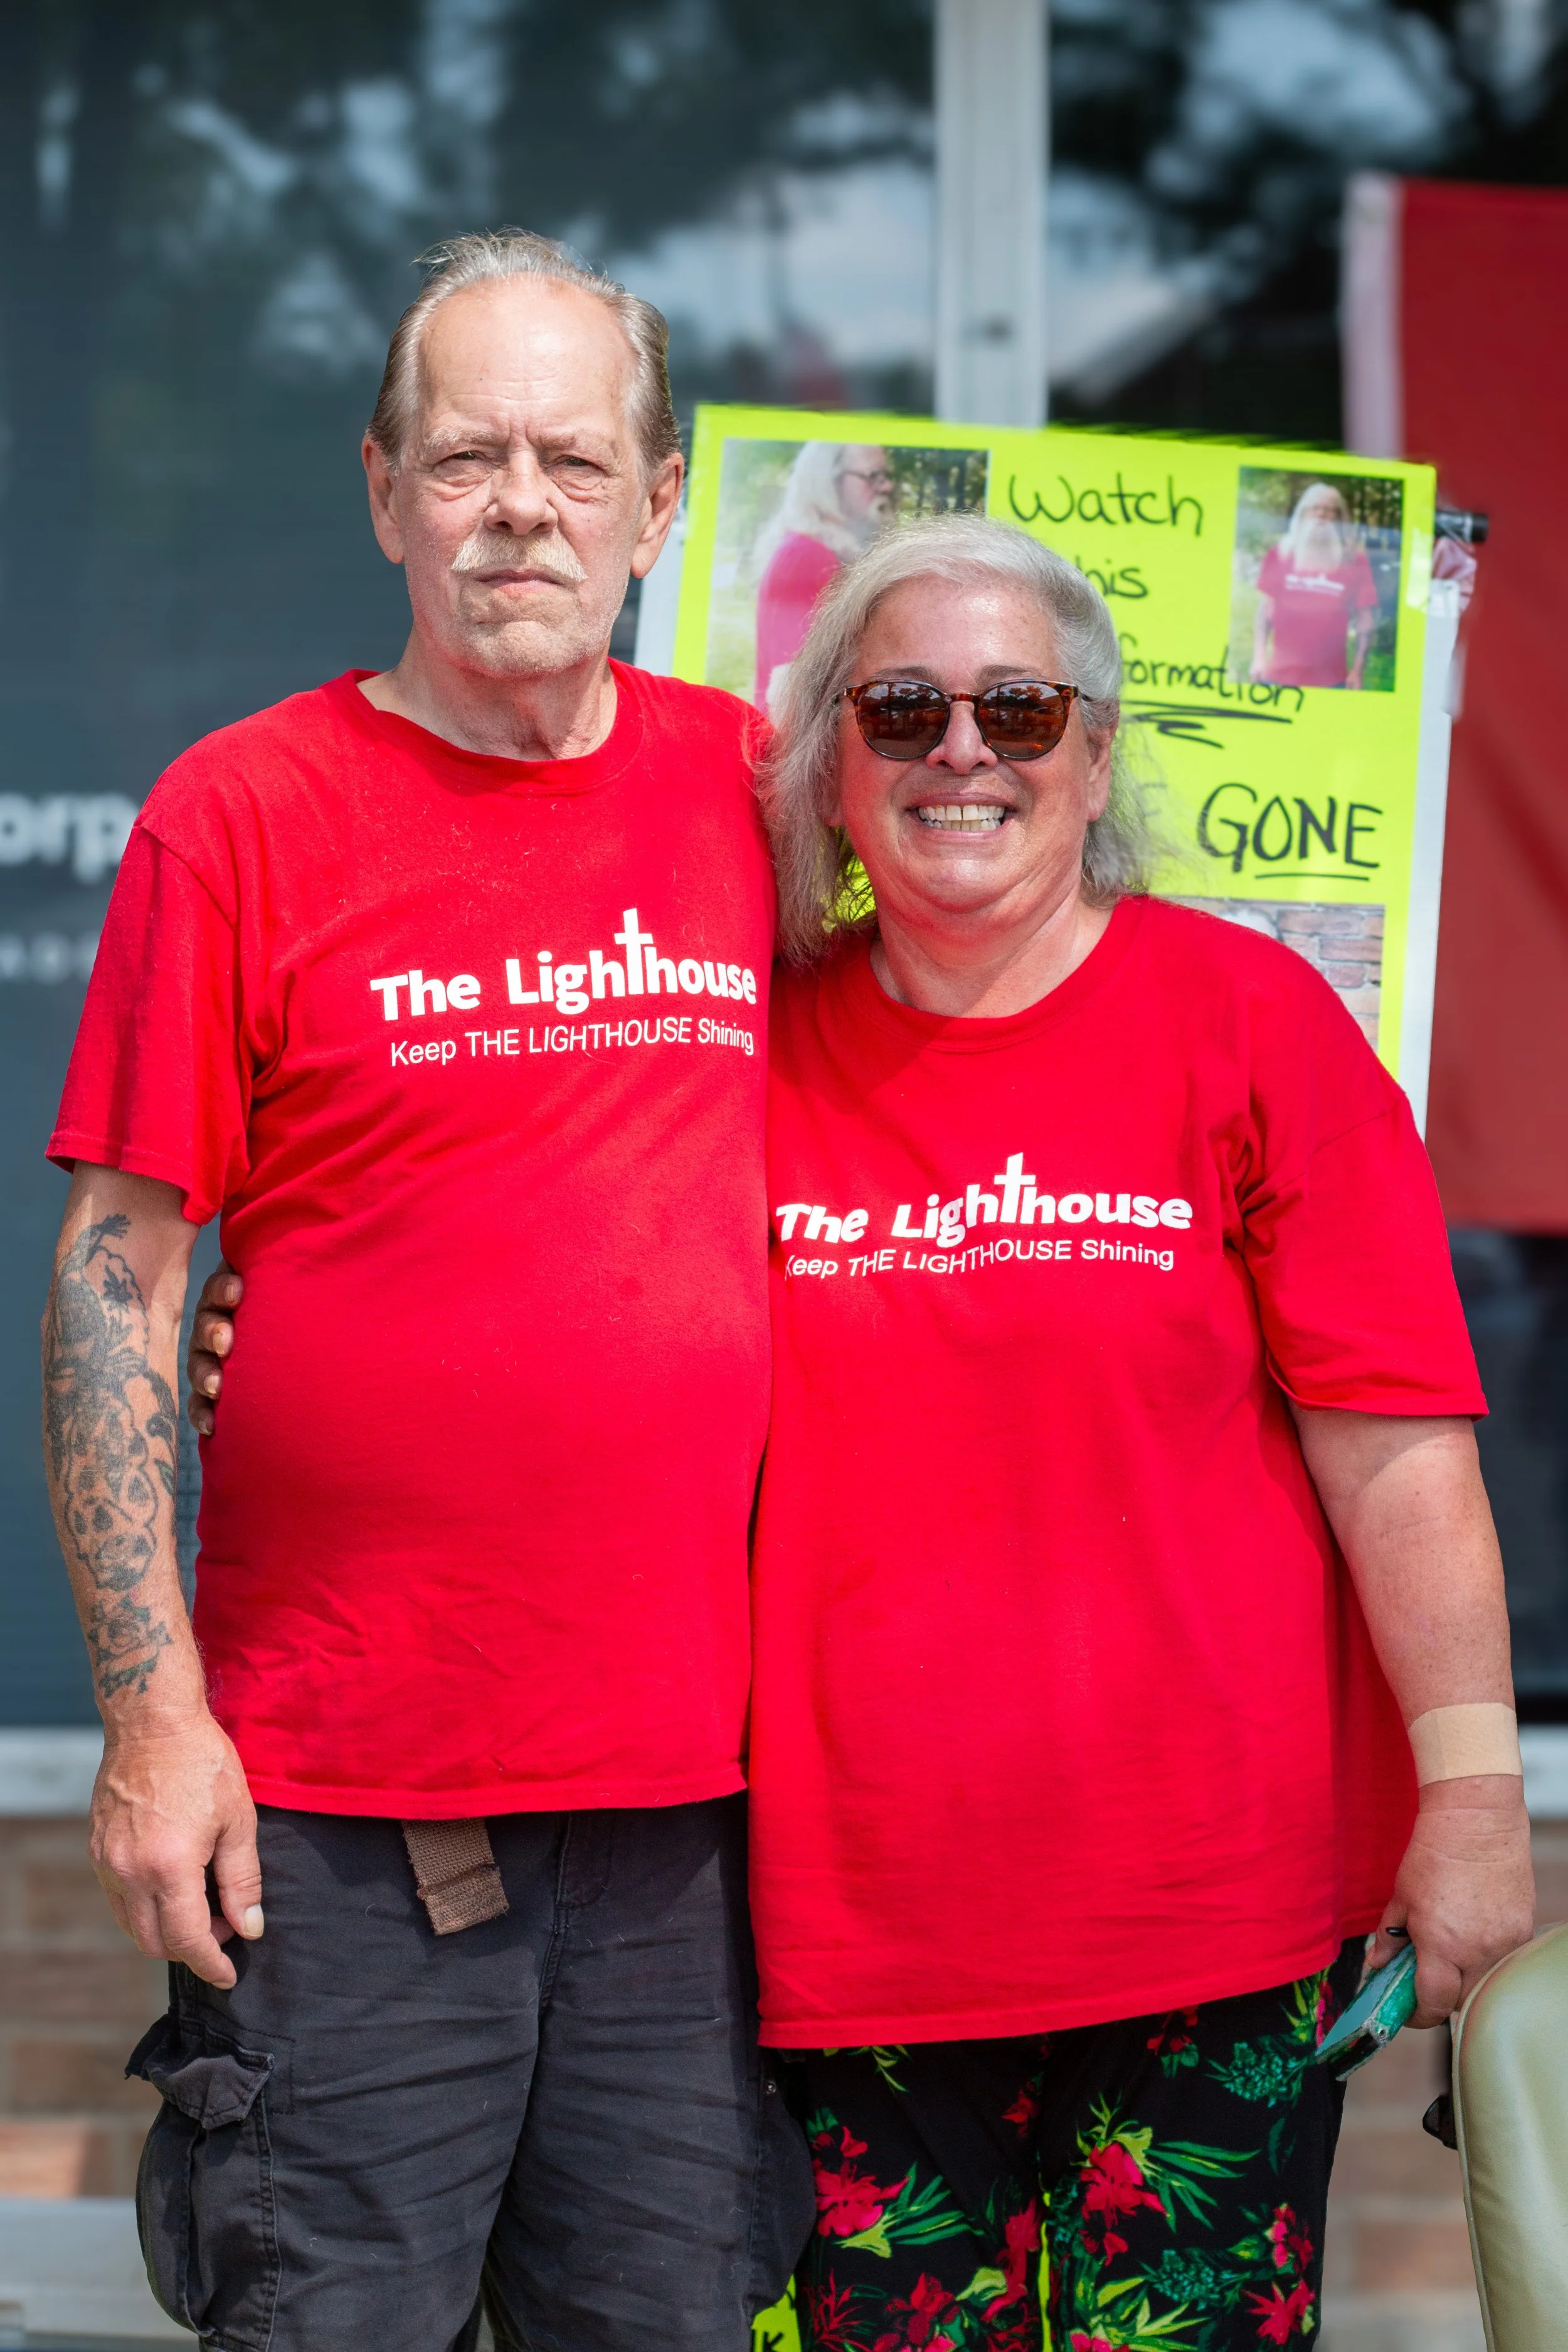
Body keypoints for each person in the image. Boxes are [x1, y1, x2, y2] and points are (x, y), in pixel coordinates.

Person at [41, 230, 809, 2352]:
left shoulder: (763, 795)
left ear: (664, 505)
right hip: (344, 1826)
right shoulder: (243, 812)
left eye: (577, 458)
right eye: (466, 456)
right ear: (382, 490)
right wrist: (150, 1714)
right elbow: (121, 1279)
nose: (520, 505)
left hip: (695, 1834)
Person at [745, 515, 1534, 2348]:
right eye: (905, 707)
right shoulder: (747, 1050)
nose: (964, 749)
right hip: (844, 1929)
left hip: (1211, 1918)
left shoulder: (1244, 1019)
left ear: (1090, 757)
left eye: (1018, 708)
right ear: (829, 760)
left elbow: (1395, 1452)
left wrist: (1474, 1803)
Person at [754, 442, 894, 711]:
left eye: (885, 476)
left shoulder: (818, 550)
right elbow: (792, 683)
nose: (886, 487)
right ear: (828, 483)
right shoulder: (807, 557)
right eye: (872, 476)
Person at [1250, 480, 1380, 689]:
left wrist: (1357, 670)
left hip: (1332, 682)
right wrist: (1258, 658)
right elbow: (1265, 610)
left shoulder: (1354, 561)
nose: (1322, 515)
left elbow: (1366, 621)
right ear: (1303, 513)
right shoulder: (1281, 554)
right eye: (1316, 509)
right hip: (1278, 678)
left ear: (1339, 518)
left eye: (1330, 511)